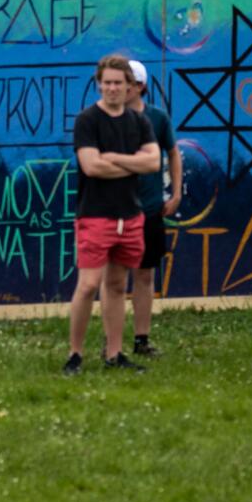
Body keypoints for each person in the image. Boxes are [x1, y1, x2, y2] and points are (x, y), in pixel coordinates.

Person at [63, 54, 161, 375]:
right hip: (95, 215)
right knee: (89, 284)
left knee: (118, 285)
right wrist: (132, 163)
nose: (113, 88)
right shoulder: (87, 120)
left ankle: (114, 354)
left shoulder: (139, 122)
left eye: (118, 83)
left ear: (130, 86)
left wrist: (116, 159)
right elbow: (91, 166)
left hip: (130, 216)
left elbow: (153, 163)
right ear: (99, 84)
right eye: (107, 83)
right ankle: (75, 353)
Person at [121, 60, 181, 359]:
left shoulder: (157, 118)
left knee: (144, 274)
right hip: (116, 209)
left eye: (128, 82)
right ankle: (113, 341)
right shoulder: (107, 118)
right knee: (114, 276)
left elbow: (173, 153)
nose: (123, 87)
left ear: (140, 86)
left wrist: (176, 191)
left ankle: (141, 338)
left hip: (149, 208)